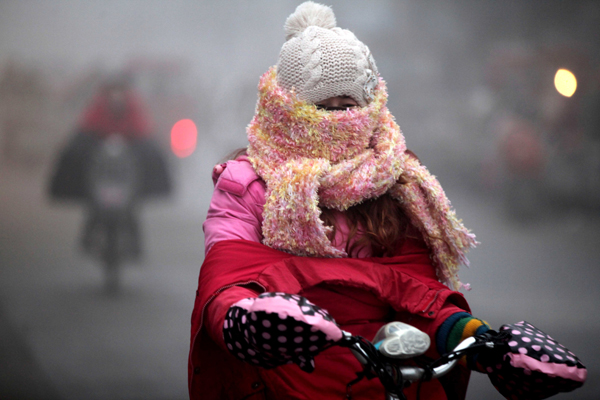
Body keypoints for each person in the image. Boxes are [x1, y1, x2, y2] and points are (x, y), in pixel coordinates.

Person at [188, 3, 586, 399]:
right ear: (287, 109)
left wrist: (479, 341)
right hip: (282, 378)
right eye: (320, 108)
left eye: (347, 106)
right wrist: (249, 320)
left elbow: (419, 298)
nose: (337, 119)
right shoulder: (247, 184)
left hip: (385, 382)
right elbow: (226, 280)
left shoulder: (396, 184)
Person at [49, 75, 171, 260]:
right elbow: (86, 128)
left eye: (119, 91)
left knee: (132, 203)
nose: (116, 96)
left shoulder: (133, 107)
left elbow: (143, 130)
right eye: (112, 91)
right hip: (101, 171)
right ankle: (86, 235)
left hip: (126, 173)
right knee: (92, 200)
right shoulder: (98, 106)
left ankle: (136, 243)